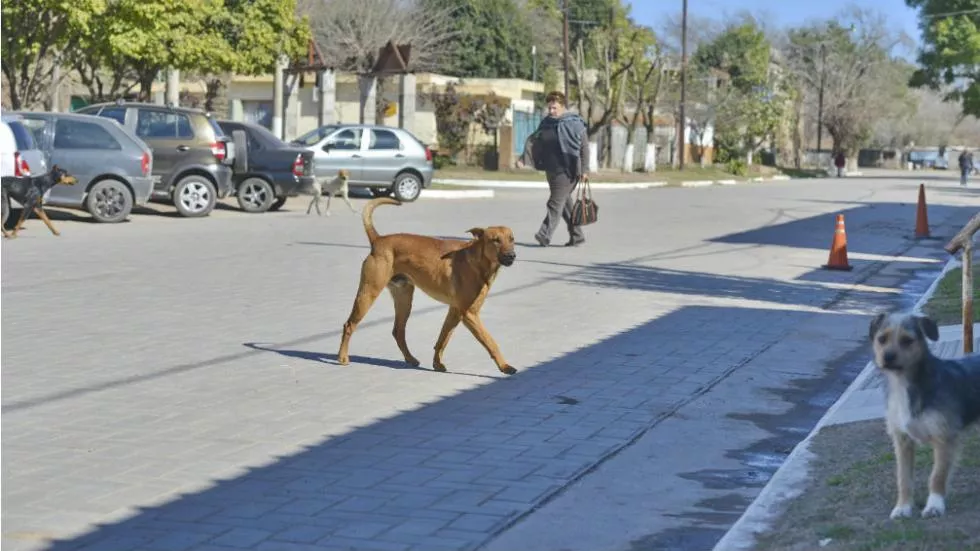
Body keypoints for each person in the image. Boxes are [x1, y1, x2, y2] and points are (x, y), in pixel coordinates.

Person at [516, 91, 590, 247]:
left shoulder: (574, 123)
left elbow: (584, 148)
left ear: (563, 106)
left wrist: (584, 170)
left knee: (555, 203)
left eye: (554, 108)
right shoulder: (546, 122)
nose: (551, 111)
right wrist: (524, 158)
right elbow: (534, 139)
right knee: (564, 203)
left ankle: (544, 234)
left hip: (568, 170)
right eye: (549, 108)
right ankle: (577, 235)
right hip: (551, 170)